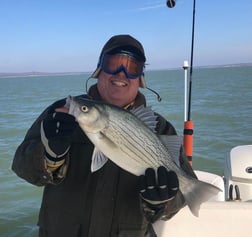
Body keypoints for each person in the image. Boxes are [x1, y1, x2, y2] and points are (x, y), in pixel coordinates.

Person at [12, 34, 193, 237]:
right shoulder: (61, 112)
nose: (121, 74)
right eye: (112, 64)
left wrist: (162, 201)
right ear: (99, 69)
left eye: (132, 67)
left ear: (141, 78)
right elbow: (20, 165)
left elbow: (184, 193)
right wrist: (48, 157)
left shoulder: (161, 128)